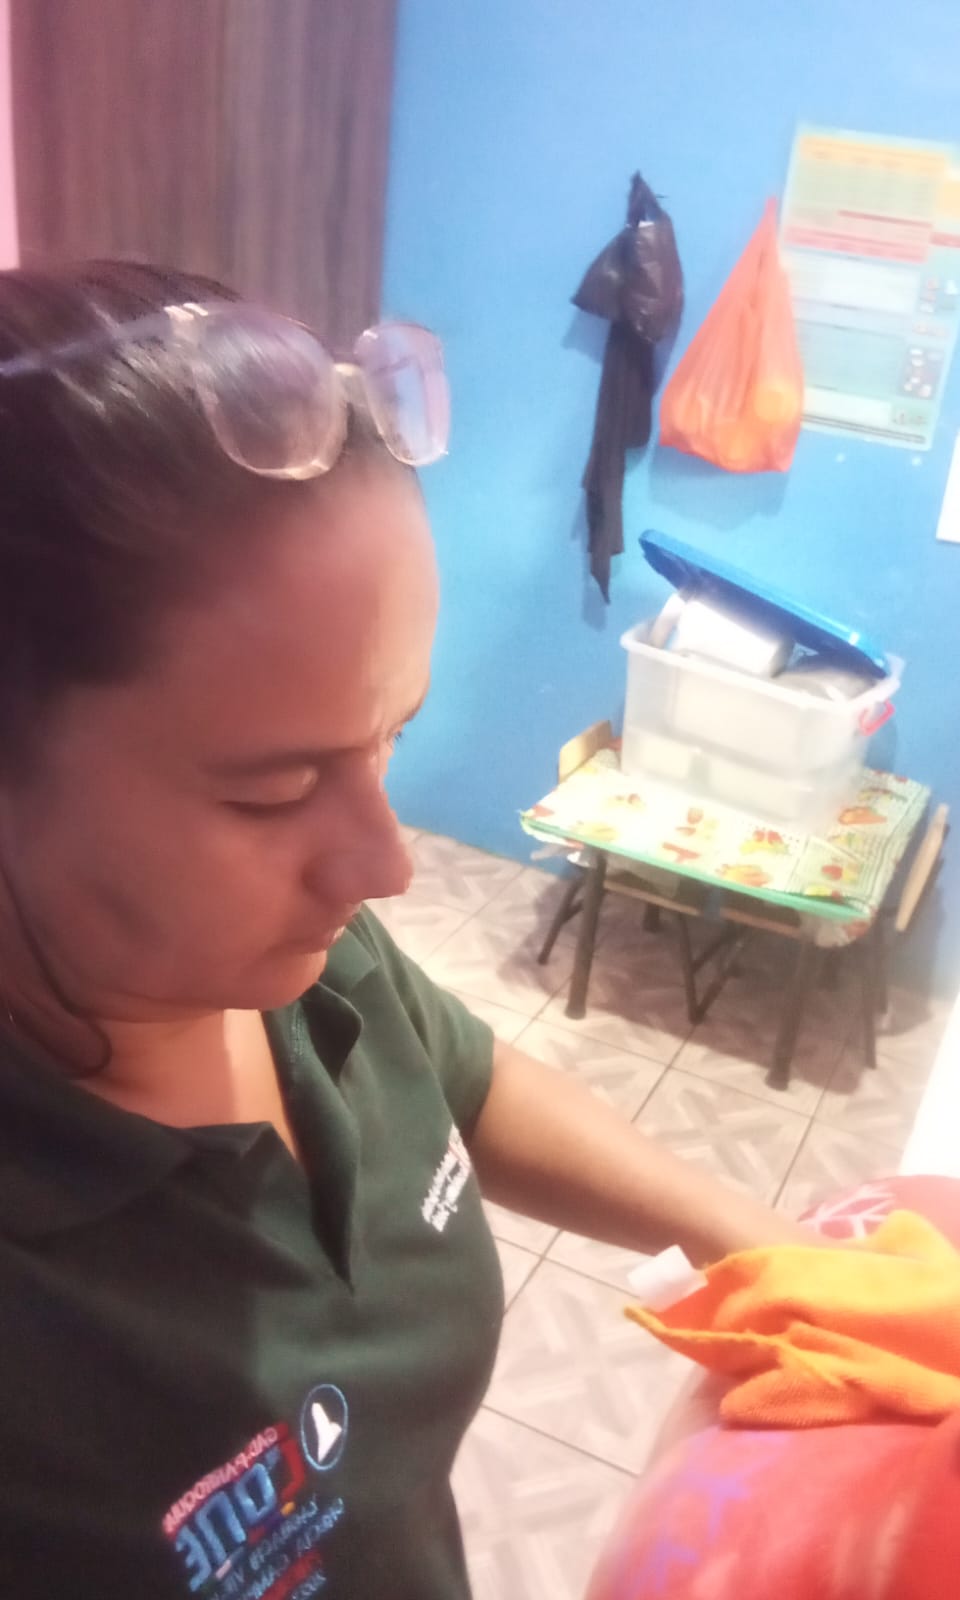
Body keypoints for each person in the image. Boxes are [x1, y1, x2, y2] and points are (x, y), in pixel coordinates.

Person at [0, 261, 810, 1600]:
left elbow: (461, 1081)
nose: (384, 866)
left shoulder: (280, 963)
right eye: (274, 791)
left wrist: (749, 1239)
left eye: (389, 738)